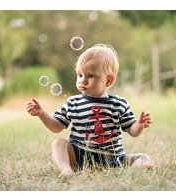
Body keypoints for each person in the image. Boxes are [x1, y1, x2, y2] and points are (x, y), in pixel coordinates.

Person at [25, 43, 154, 176]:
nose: (83, 80)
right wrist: (42, 114)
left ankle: (136, 169)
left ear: (109, 80)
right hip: (80, 158)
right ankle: (66, 170)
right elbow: (56, 127)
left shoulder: (118, 104)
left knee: (143, 157)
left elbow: (132, 131)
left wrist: (138, 125)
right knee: (58, 143)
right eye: (80, 75)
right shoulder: (73, 103)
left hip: (113, 158)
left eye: (90, 76)